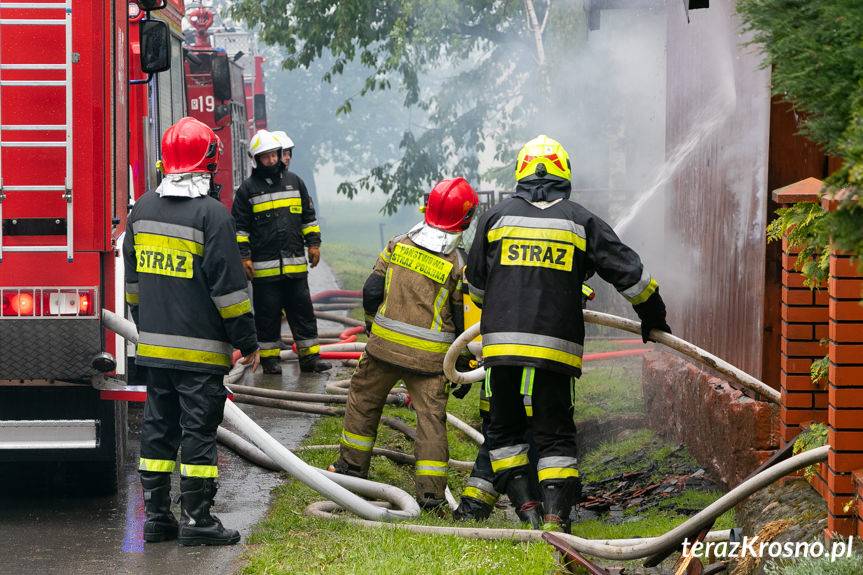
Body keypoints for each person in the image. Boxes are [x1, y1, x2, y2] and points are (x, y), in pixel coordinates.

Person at [466, 135, 671, 531]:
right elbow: (633, 276)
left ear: (521, 173)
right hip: (554, 352)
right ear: (564, 173)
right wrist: (653, 315)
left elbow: (474, 288)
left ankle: (527, 510)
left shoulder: (495, 218)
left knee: (504, 430)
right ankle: (556, 518)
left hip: (501, 349)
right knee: (555, 435)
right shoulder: (581, 220)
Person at [123, 116, 260, 546]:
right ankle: (198, 521)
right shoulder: (212, 215)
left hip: (155, 352)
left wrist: (150, 330)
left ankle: (157, 519)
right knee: (198, 433)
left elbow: (133, 288)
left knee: (157, 430)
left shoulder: (141, 210)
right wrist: (247, 341)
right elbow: (230, 290)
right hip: (199, 356)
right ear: (208, 161)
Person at [329, 178, 479, 508]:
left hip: (382, 351)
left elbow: (371, 291)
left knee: (363, 401)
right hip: (430, 363)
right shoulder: (458, 264)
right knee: (430, 422)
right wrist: (464, 364)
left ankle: (351, 470)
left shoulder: (397, 245)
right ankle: (430, 497)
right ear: (465, 220)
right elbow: (464, 320)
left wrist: (374, 331)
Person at [232, 129, 330, 374]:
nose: (272, 161)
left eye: (274, 155)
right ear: (257, 159)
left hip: (296, 269)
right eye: (265, 157)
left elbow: (308, 219)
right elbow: (240, 229)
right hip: (265, 273)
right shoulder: (247, 190)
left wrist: (314, 244)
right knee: (267, 318)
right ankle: (270, 361)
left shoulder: (295, 182)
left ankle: (310, 359)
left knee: (303, 313)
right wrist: (244, 257)